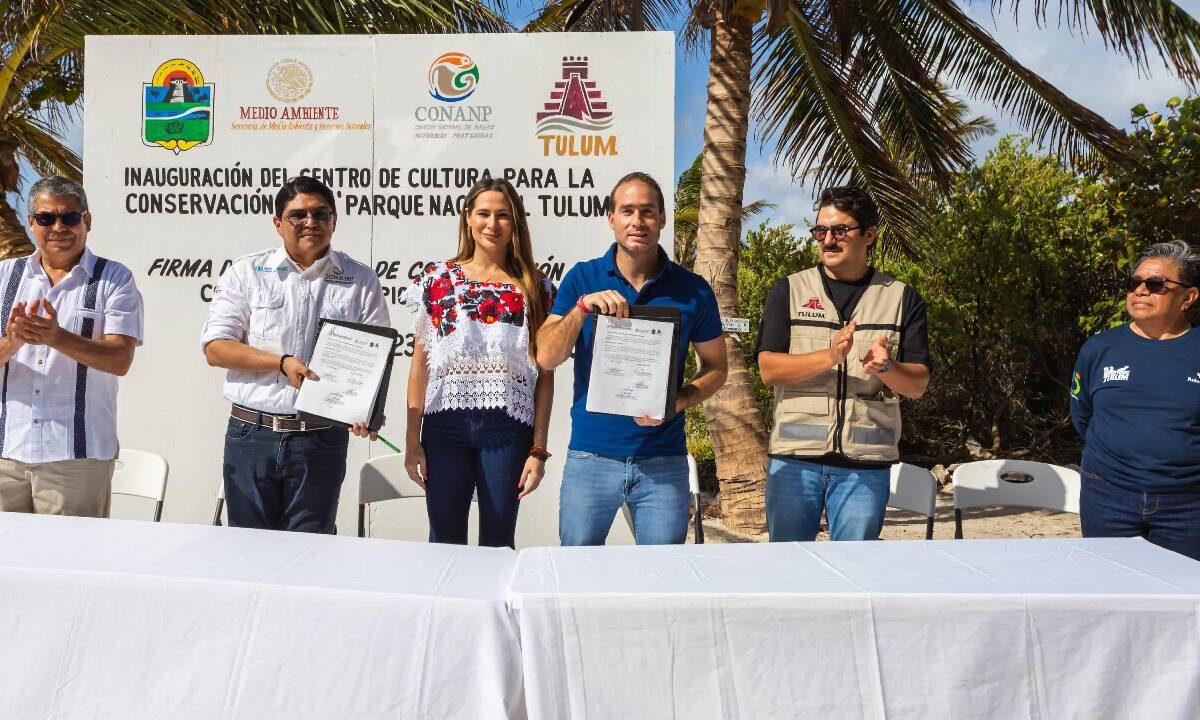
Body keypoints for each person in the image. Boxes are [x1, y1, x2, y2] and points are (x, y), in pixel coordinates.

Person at [537, 171, 727, 546]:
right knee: (576, 573)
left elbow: (718, 368)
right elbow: (546, 356)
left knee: (660, 581)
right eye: (627, 211)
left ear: (662, 219)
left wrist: (680, 400)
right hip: (591, 457)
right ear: (611, 219)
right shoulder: (582, 278)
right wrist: (581, 309)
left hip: (663, 461)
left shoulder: (693, 290)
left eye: (647, 211)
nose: (637, 221)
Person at [201, 176, 388, 533]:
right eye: (297, 215)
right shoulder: (247, 272)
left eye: (321, 214)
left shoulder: (361, 280)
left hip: (321, 439)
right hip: (251, 434)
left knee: (310, 553)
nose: (310, 223)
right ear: (277, 223)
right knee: (246, 552)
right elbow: (216, 348)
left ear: (334, 220)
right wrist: (280, 363)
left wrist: (366, 409)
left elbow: (374, 360)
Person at [755, 186, 930, 541]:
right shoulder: (788, 290)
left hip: (865, 467)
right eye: (821, 231)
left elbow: (918, 385)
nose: (828, 241)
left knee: (855, 575)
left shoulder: (901, 298)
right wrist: (829, 356)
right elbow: (768, 370)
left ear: (869, 234)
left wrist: (887, 368)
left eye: (840, 231)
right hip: (793, 462)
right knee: (788, 573)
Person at [402, 179, 553, 548]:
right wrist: (411, 439)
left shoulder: (536, 286)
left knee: (499, 543)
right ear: (467, 218)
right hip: (444, 428)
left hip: (508, 428)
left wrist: (538, 450)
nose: (492, 223)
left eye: (503, 215)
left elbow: (545, 377)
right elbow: (420, 366)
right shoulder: (436, 280)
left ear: (515, 222)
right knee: (444, 541)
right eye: (483, 213)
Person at [0, 176, 143, 517]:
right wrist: (13, 342)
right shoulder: (5, 275)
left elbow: (120, 359)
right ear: (31, 222)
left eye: (70, 217)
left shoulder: (115, 279)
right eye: (47, 218)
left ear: (87, 221)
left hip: (76, 458)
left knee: (71, 563)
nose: (59, 227)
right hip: (7, 452)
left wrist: (56, 337)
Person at [1070, 240, 1200, 561]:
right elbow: (1082, 414)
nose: (1140, 290)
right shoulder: (1099, 349)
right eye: (1134, 283)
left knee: (1181, 600)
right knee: (1109, 592)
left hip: (1188, 504)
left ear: (1188, 297)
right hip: (1107, 494)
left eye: (1155, 284)